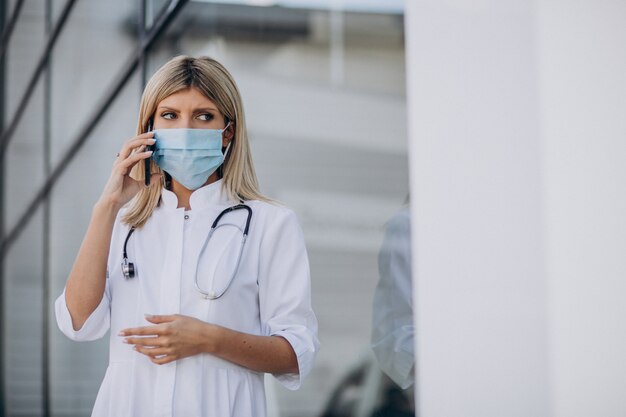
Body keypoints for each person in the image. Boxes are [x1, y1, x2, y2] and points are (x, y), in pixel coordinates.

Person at [54, 55, 319, 417]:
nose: (185, 129)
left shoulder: (270, 224)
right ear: (149, 129)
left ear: (228, 131)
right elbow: (78, 323)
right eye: (170, 115)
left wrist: (209, 339)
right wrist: (106, 206)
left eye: (204, 116)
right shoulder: (122, 222)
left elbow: (295, 354)